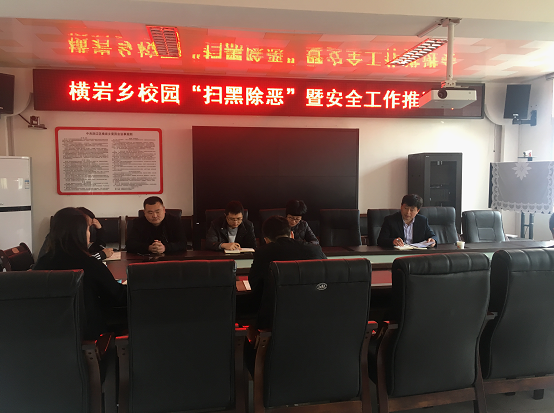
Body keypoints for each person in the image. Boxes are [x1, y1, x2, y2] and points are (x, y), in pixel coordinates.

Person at [33, 207, 127, 340]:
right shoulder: (89, 264)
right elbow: (117, 297)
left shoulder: (42, 263)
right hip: (89, 336)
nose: (89, 234)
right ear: (80, 233)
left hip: (50, 334)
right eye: (88, 229)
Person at [249, 215, 327, 327]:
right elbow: (327, 277)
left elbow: (255, 285)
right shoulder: (315, 250)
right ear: (291, 234)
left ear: (266, 240)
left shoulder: (263, 253)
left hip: (275, 316)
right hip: (315, 312)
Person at [37, 207, 114, 261]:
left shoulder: (76, 241)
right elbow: (79, 262)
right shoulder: (59, 240)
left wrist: (100, 229)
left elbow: (98, 247)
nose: (88, 232)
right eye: (86, 227)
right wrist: (101, 255)